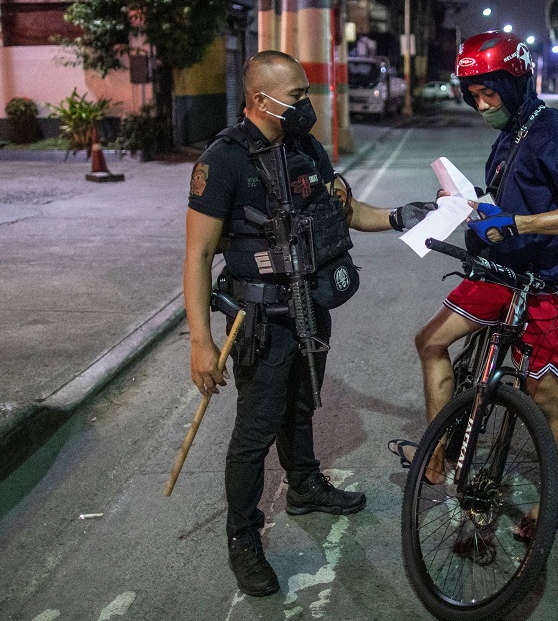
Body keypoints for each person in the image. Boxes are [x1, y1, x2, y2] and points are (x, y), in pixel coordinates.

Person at [184, 50, 435, 597]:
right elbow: (198, 255)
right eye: (296, 95)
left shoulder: (304, 149)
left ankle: (304, 485)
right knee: (255, 429)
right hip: (259, 317)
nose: (307, 104)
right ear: (259, 99)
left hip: (309, 304)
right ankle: (243, 538)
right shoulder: (224, 160)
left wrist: (398, 216)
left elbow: (344, 210)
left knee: (303, 403)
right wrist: (200, 344)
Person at [393, 31, 558, 539]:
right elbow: (509, 193)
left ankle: (548, 505)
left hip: (540, 285)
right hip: (497, 273)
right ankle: (437, 448)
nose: (481, 105)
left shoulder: (553, 133)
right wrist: (471, 205)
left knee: (544, 392)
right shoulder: (512, 131)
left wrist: (519, 223)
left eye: (489, 93)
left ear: (516, 83)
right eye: (473, 96)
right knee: (431, 342)